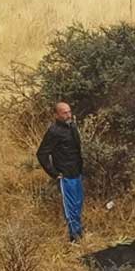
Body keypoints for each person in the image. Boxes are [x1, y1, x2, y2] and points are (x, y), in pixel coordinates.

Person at [36, 101, 85, 243]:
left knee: (78, 203)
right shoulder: (53, 131)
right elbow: (41, 154)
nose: (68, 115)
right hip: (65, 175)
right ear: (56, 115)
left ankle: (79, 232)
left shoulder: (72, 127)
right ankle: (74, 238)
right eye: (64, 113)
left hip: (76, 172)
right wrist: (54, 173)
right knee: (70, 207)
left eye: (69, 111)